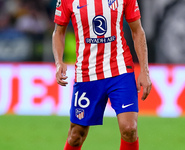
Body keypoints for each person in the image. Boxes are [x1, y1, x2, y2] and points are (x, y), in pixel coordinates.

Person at [52, 0, 152, 150]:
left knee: (129, 128)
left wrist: (144, 70)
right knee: (76, 134)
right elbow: (58, 32)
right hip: (87, 73)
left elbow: (138, 31)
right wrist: (59, 62)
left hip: (120, 70)